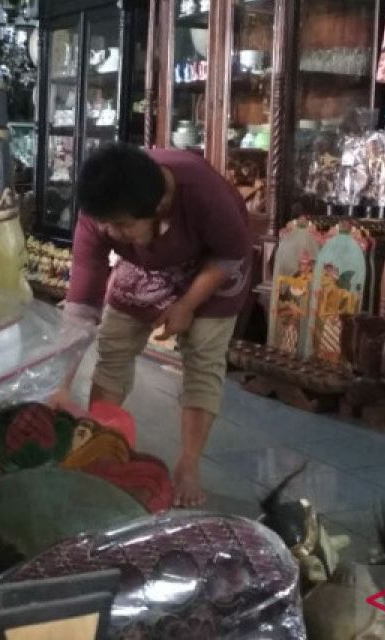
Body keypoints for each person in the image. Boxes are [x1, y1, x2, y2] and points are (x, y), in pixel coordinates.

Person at [64, 143, 252, 506]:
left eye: (121, 225)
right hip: (146, 263)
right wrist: (62, 382)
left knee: (202, 352)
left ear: (160, 208)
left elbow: (231, 253)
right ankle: (99, 446)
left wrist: (187, 305)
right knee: (114, 342)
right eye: (103, 222)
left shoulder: (202, 194)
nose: (108, 231)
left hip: (213, 268)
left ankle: (188, 465)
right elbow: (81, 303)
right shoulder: (103, 210)